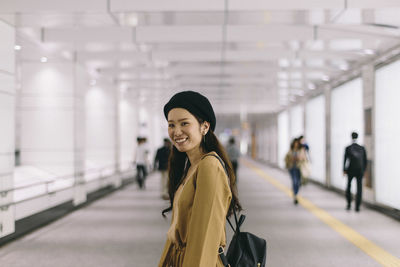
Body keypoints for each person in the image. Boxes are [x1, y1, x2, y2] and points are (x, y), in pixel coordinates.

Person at [159, 91, 241, 267]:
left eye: (184, 123)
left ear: (204, 127)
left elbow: (204, 240)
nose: (176, 131)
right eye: (171, 125)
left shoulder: (209, 167)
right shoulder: (190, 167)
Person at [343, 132, 367, 212]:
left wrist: (344, 170)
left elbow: (345, 160)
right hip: (360, 170)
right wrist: (364, 170)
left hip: (350, 170)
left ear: (351, 137)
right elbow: (365, 161)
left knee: (349, 186)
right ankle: (357, 206)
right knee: (359, 188)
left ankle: (349, 203)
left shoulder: (348, 148)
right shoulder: (362, 148)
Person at [285, 138, 307, 205]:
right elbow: (286, 158)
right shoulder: (291, 150)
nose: (296, 144)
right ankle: (295, 195)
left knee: (298, 182)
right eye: (295, 143)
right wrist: (290, 160)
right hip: (292, 168)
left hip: (298, 168)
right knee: (294, 181)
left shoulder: (301, 150)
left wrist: (299, 158)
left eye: (297, 143)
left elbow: (304, 158)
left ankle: (295, 192)